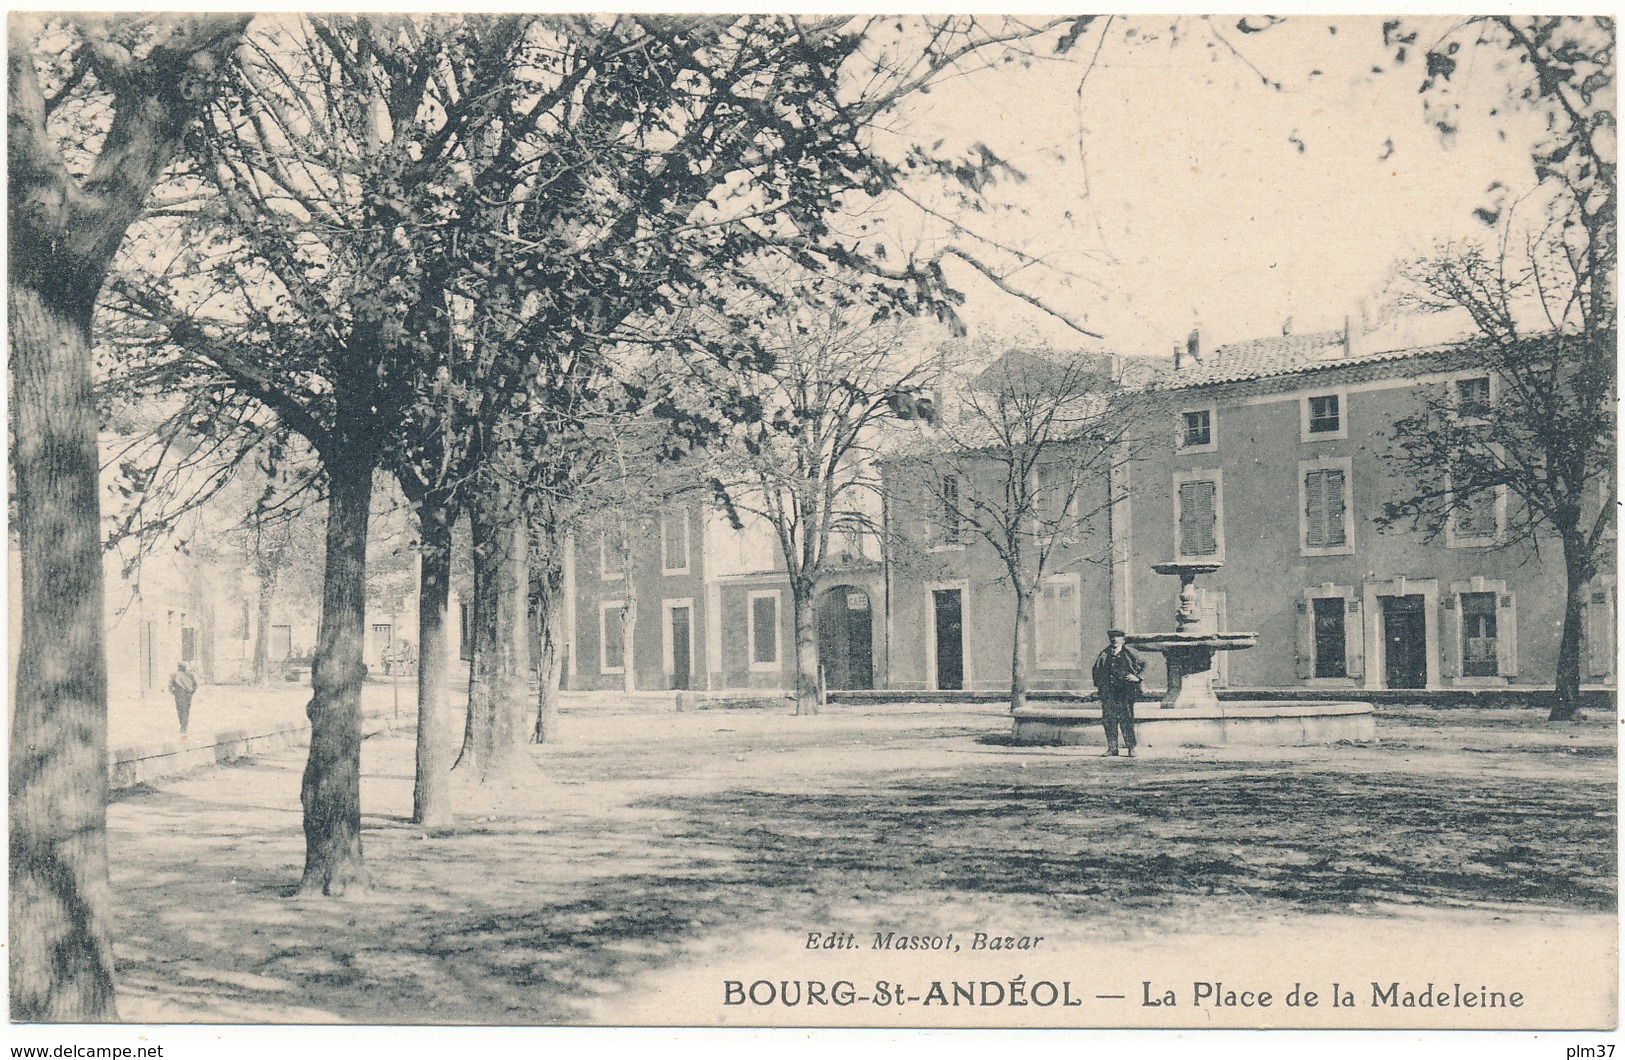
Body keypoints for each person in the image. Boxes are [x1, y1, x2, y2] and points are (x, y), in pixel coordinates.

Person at [1091, 629, 1145, 757]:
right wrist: (1100, 687)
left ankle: (1131, 747)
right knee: (1109, 720)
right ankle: (1112, 748)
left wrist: (1138, 677)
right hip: (1109, 692)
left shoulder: (1130, 652)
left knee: (1127, 719)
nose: (1115, 640)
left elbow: (1145, 664)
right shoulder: (1104, 653)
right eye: (1112, 637)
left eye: (1118, 637)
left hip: (1125, 691)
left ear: (1123, 639)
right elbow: (1096, 669)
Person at [169, 661, 198, 735]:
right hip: (187, 696)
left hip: (179, 697)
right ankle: (183, 727)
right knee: (185, 711)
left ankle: (183, 727)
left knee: (181, 711)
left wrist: (174, 693)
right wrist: (191, 693)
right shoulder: (189, 675)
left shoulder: (175, 675)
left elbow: (170, 686)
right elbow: (195, 685)